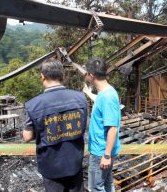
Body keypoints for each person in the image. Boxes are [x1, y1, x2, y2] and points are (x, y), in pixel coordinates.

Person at [23, 58, 87, 192]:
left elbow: (27, 136)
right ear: (63, 76)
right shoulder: (80, 98)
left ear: (42, 77)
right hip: (74, 162)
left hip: (51, 165)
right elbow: (85, 124)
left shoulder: (33, 104)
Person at [83, 59, 121, 192]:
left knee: (96, 187)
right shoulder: (105, 93)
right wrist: (88, 93)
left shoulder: (107, 97)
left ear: (91, 76)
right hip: (105, 150)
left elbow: (112, 128)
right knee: (107, 183)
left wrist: (106, 155)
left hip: (101, 151)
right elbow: (100, 102)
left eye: (87, 74)